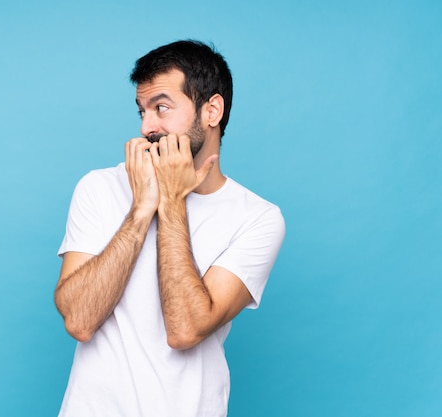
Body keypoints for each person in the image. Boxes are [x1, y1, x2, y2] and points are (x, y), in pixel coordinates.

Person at [54, 40, 285, 417]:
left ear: (212, 110)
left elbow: (185, 329)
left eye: (161, 107)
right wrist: (143, 208)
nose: (147, 127)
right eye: (142, 111)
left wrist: (172, 203)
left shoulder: (258, 218)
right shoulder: (99, 187)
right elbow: (79, 321)